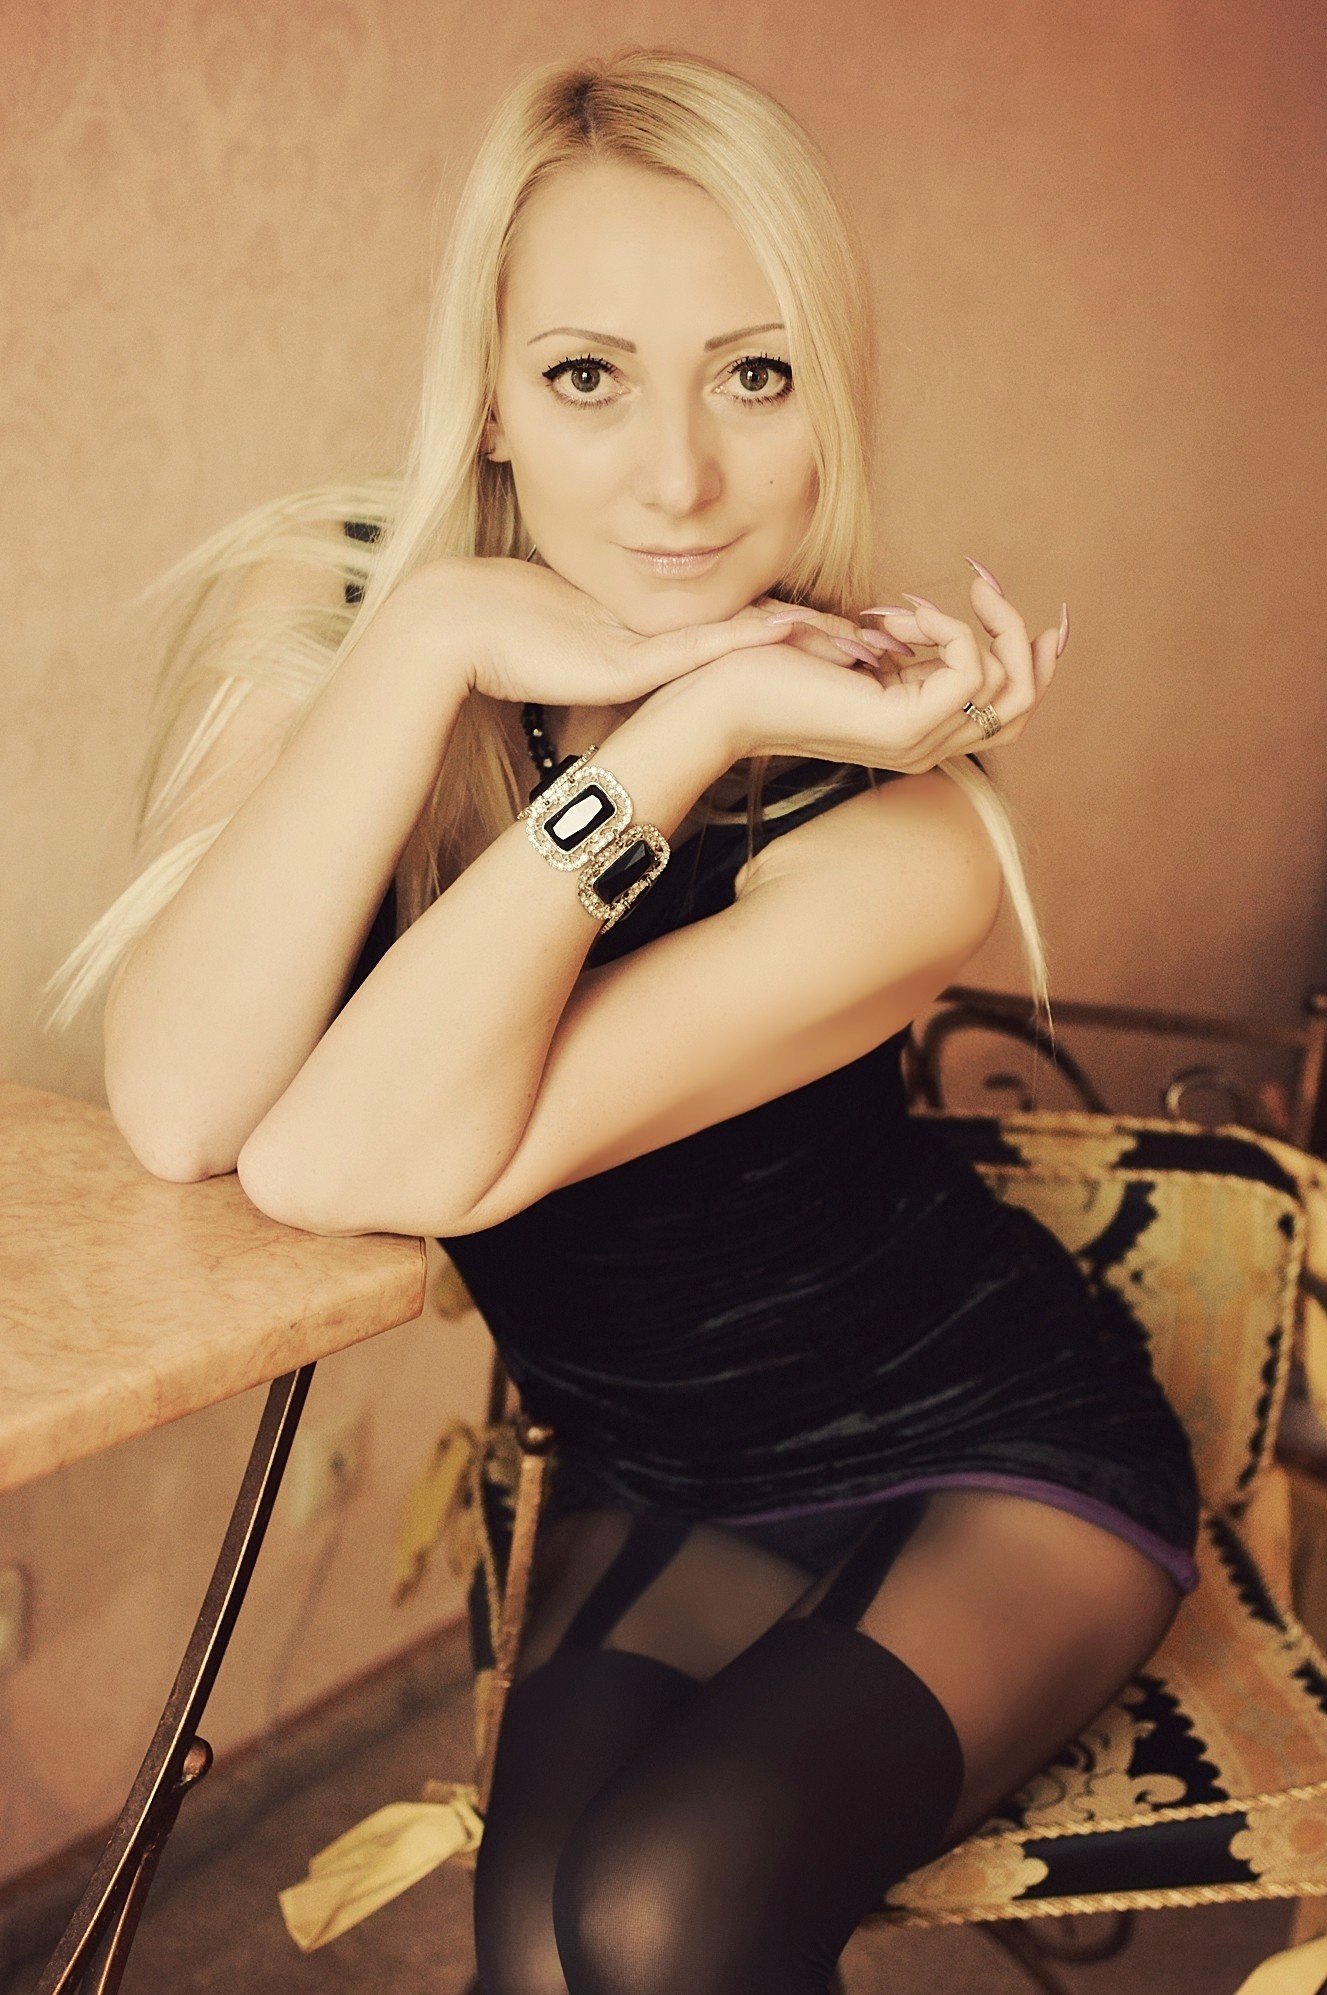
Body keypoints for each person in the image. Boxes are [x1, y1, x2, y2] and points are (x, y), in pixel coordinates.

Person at [45, 47, 1201, 1995]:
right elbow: (184, 1107)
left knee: (669, 1910)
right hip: (654, 1463)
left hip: (991, 1447)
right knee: (540, 1953)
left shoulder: (899, 830)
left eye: (754, 375)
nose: (678, 479)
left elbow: (341, 1160)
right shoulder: (341, 607)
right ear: (491, 393)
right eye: (589, 375)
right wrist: (440, 631)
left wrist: (692, 717)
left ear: (829, 399)